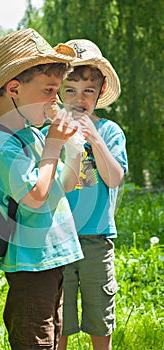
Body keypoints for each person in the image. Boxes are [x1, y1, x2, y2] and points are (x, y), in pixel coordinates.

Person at [0, 28, 84, 350]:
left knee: (53, 335)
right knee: (35, 339)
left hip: (53, 259)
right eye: (50, 90)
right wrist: (53, 146)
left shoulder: (35, 136)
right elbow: (35, 196)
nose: (56, 99)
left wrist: (75, 150)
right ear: (14, 88)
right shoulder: (0, 143)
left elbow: (65, 185)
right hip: (30, 264)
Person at [55, 39, 128, 350]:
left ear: (99, 93)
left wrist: (95, 139)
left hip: (97, 238)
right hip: (57, 239)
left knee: (100, 317)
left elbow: (113, 179)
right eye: (70, 89)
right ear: (58, 91)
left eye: (88, 90)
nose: (78, 98)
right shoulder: (50, 131)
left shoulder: (110, 131)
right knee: (59, 319)